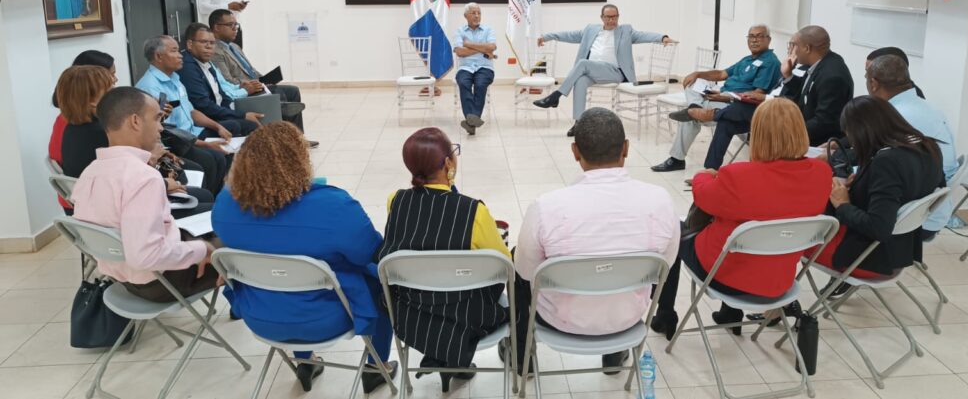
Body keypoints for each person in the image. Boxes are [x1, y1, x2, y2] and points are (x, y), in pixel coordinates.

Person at [212, 122, 396, 393]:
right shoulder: (334, 205)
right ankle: (376, 366)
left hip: (259, 313)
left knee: (283, 274)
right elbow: (370, 253)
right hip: (329, 317)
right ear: (299, 160)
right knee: (381, 281)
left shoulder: (225, 205)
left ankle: (305, 361)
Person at [513, 108, 679, 371]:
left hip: (559, 321)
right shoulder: (660, 201)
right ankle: (614, 355)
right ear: (626, 148)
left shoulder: (547, 207)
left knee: (516, 259)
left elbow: (526, 272)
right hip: (627, 319)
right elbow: (665, 265)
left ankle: (521, 356)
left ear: (575, 152)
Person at [650, 98, 832, 338]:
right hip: (779, 281)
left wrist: (706, 175)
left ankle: (665, 315)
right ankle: (730, 315)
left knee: (673, 231)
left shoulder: (739, 176)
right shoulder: (822, 173)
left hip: (725, 277)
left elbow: (703, 196)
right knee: (741, 231)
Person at [376, 127, 510, 391]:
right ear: (448, 163)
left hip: (411, 315)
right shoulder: (474, 211)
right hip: (466, 315)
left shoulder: (396, 200)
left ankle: (444, 356)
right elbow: (504, 268)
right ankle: (456, 355)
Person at [71, 87, 218, 303]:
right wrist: (201, 249)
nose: (161, 127)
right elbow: (146, 256)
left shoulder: (91, 171)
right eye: (157, 118)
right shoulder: (143, 177)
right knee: (236, 245)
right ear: (135, 121)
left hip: (120, 277)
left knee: (196, 234)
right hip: (160, 283)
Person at [814, 96, 944, 280]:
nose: (852, 142)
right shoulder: (928, 146)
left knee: (795, 242)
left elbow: (878, 228)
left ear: (863, 131)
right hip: (901, 250)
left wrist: (843, 204)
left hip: (868, 258)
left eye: (851, 135)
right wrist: (863, 183)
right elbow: (908, 189)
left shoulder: (886, 162)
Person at [652, 25, 782, 172]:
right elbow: (721, 74)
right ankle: (695, 107)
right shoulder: (747, 60)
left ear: (768, 39)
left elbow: (755, 95)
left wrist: (725, 97)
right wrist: (698, 74)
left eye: (759, 36)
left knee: (690, 118)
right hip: (722, 96)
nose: (754, 40)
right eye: (751, 36)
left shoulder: (770, 62)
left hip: (737, 105)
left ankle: (677, 158)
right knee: (693, 84)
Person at [532, 4, 678, 136]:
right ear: (602, 17)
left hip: (615, 72)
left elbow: (644, 35)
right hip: (593, 71)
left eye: (614, 17)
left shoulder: (626, 31)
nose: (611, 20)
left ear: (618, 17)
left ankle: (556, 96)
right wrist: (547, 37)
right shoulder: (591, 29)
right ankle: (578, 123)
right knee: (580, 81)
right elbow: (569, 35)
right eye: (608, 17)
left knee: (583, 63)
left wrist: (662, 37)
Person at [136, 35, 242, 195]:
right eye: (174, 51)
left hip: (191, 133)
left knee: (231, 132)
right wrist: (205, 144)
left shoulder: (175, 78)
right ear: (159, 56)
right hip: (177, 141)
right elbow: (167, 133)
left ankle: (221, 193)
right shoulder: (150, 87)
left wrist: (217, 126)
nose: (180, 55)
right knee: (213, 158)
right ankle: (207, 199)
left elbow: (191, 111)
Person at [866, 55, 957, 240]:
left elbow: (877, 170)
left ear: (874, 84)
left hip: (910, 219)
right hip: (932, 208)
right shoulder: (928, 108)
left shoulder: (896, 116)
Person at [207, 9, 316, 146]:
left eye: (236, 25)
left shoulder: (234, 46)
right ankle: (284, 137)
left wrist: (264, 79)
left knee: (293, 91)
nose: (235, 29)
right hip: (244, 91)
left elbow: (250, 69)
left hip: (256, 85)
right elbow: (228, 81)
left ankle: (297, 138)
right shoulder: (214, 51)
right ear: (216, 27)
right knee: (278, 93)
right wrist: (254, 84)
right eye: (231, 25)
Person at [735, 26, 854, 147]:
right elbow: (805, 94)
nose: (790, 50)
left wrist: (787, 133)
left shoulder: (832, 76)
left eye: (793, 45)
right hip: (804, 128)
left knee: (767, 138)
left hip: (818, 142)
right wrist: (788, 75)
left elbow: (824, 121)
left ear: (807, 48)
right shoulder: (819, 63)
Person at [49, 51, 117, 213]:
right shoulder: (98, 133)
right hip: (98, 207)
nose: (115, 92)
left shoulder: (73, 125)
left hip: (83, 200)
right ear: (92, 99)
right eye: (110, 89)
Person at [177, 23, 260, 136]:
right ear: (190, 44)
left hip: (218, 113)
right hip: (205, 121)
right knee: (248, 125)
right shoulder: (187, 66)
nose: (209, 46)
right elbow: (203, 105)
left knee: (257, 112)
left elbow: (222, 96)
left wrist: (237, 112)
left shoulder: (207, 63)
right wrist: (241, 115)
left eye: (212, 43)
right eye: (203, 42)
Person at [453, 3, 497, 135]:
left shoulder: (488, 30)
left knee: (480, 84)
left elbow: (492, 47)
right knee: (463, 82)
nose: (477, 16)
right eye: (473, 13)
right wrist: (482, 49)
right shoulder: (459, 31)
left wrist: (469, 44)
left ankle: (470, 121)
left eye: (479, 13)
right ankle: (473, 120)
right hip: (465, 67)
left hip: (485, 67)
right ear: (465, 16)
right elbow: (460, 52)